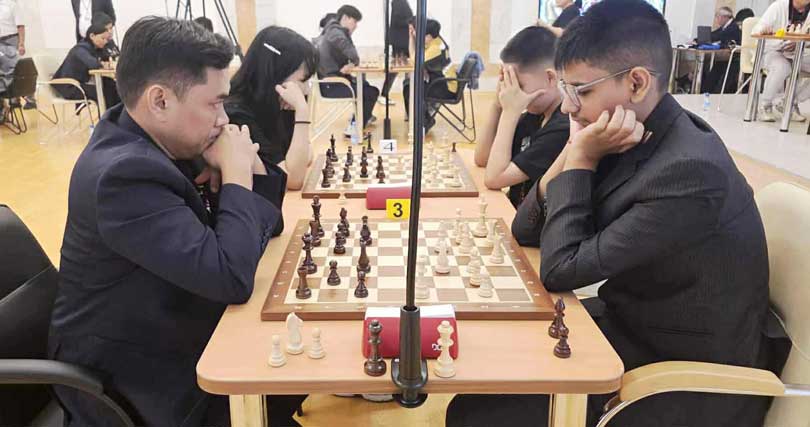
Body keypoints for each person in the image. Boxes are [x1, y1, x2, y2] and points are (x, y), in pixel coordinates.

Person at [451, 1, 779, 426]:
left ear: (637, 83)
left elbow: (560, 270)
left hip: (684, 378)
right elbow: (525, 229)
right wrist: (573, 149)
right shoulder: (625, 130)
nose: (567, 107)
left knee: (476, 415)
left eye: (581, 91)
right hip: (632, 327)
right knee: (484, 375)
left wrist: (581, 158)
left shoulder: (689, 170)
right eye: (566, 89)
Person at [49, 17, 303, 427]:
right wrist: (237, 175)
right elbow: (231, 277)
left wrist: (248, 167)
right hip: (136, 379)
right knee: (289, 370)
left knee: (295, 369)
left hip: (177, 323)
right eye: (214, 103)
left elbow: (268, 227)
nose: (224, 119)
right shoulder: (123, 175)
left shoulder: (161, 138)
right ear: (160, 101)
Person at [473, 26, 569, 210]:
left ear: (550, 78)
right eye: (508, 82)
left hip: (534, 225)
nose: (511, 91)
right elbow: (482, 158)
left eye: (519, 85)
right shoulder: (534, 116)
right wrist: (497, 104)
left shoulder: (562, 128)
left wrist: (510, 112)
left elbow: (494, 178)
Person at [226, 26, 318, 190]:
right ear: (275, 74)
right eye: (302, 81)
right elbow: (292, 179)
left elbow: (307, 157)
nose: (306, 90)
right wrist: (302, 112)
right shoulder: (238, 115)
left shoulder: (279, 102)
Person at [316, 4, 380, 137]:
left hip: (332, 81)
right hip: (332, 85)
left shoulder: (331, 30)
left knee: (366, 86)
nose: (356, 26)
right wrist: (353, 62)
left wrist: (350, 64)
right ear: (345, 18)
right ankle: (354, 126)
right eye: (354, 21)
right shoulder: (336, 33)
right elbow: (354, 55)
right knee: (370, 92)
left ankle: (363, 117)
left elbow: (351, 57)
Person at [754, 0, 810, 122]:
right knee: (783, 67)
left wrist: (799, 43)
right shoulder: (778, 6)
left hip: (797, 52)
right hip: (773, 50)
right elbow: (756, 29)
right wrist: (764, 30)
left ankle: (788, 103)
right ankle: (765, 105)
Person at [402, 18, 458, 132]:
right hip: (441, 83)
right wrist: (412, 36)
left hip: (446, 88)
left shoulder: (435, 49)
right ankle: (421, 120)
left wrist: (411, 38)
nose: (415, 34)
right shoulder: (435, 42)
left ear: (428, 36)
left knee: (410, 88)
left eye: (418, 32)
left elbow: (414, 61)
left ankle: (423, 123)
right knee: (408, 84)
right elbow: (416, 58)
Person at [53, 23, 120, 109]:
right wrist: (104, 64)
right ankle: (108, 116)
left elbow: (108, 59)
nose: (105, 42)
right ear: (92, 36)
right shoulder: (80, 48)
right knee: (103, 93)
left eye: (106, 39)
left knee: (112, 87)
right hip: (68, 86)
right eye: (102, 38)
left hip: (79, 84)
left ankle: (116, 114)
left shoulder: (96, 49)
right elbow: (93, 63)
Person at [379, 0, 413, 106]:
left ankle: (409, 96)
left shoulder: (399, 2)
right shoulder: (398, 2)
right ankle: (384, 95)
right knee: (397, 69)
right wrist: (412, 21)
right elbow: (398, 21)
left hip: (401, 40)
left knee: (404, 69)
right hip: (401, 42)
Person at [0, 0, 28, 113]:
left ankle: (15, 98)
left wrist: (21, 44)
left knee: (12, 70)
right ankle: (3, 105)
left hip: (10, 39)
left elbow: (20, 26)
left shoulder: (12, 5)